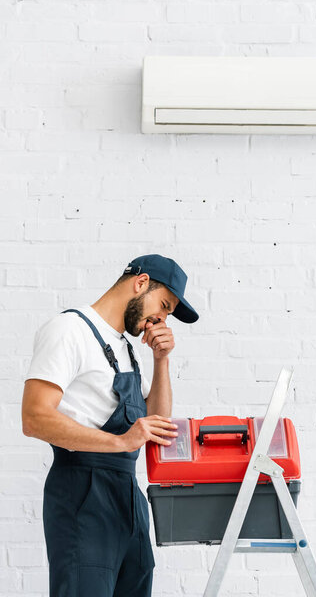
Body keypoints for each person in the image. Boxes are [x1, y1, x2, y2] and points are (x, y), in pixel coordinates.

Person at [21, 253, 199, 597]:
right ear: (141, 283)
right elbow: (34, 417)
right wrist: (121, 442)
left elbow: (156, 426)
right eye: (163, 305)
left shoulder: (124, 348)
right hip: (83, 493)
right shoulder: (69, 329)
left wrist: (160, 361)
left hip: (127, 498)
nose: (162, 319)